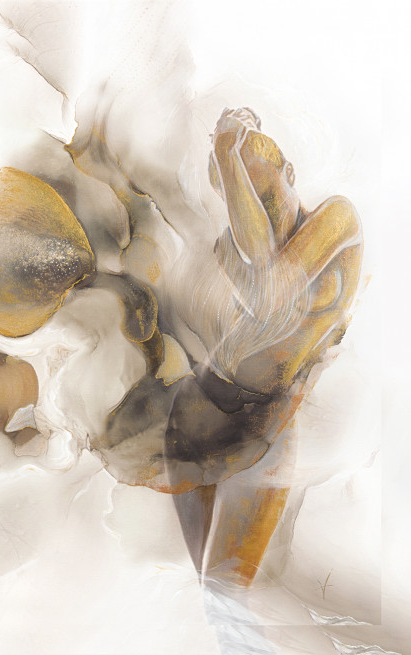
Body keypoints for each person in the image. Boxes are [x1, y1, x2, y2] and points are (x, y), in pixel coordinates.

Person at [165, 108, 363, 586]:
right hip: (199, 406)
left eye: (266, 194)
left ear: (289, 172)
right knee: (205, 588)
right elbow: (264, 277)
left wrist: (229, 149)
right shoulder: (231, 248)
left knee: (228, 587)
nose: (262, 214)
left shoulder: (338, 218)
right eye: (242, 201)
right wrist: (226, 155)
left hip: (266, 418)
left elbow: (274, 289)